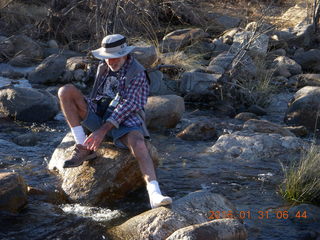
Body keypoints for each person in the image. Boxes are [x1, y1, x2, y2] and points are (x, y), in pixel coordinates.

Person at [58, 34, 172, 209]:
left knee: (139, 143)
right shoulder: (103, 67)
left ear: (125, 54)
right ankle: (83, 147)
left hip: (126, 120)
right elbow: (97, 96)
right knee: (66, 91)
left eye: (115, 57)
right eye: (107, 58)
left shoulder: (138, 73)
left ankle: (154, 193)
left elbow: (128, 105)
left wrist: (101, 131)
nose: (111, 62)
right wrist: (91, 128)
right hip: (100, 113)